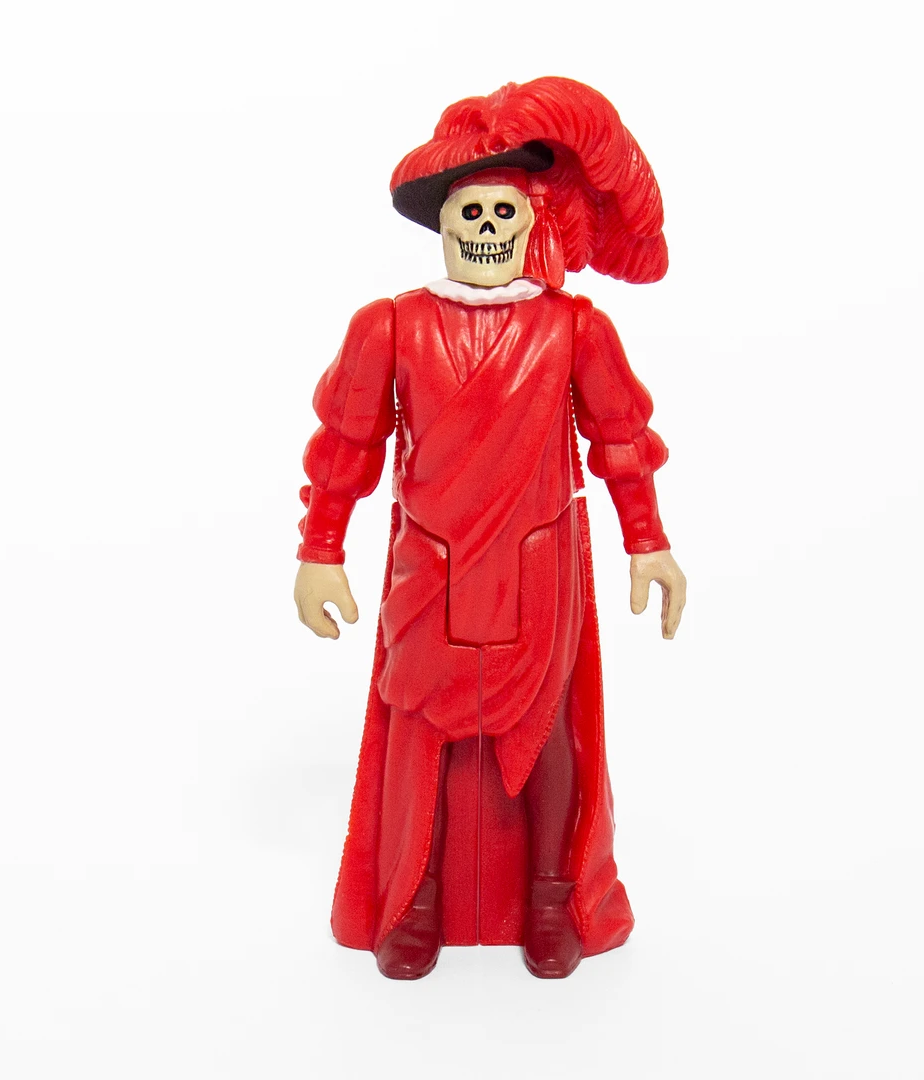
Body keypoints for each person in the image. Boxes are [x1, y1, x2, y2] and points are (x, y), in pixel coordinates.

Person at [294, 77, 686, 979]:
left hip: (534, 567)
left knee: (543, 732)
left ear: (529, 220)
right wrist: (320, 549)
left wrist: (649, 542)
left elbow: (621, 441)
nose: (485, 227)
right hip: (427, 572)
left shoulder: (574, 329)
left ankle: (550, 894)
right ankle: (416, 894)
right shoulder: (389, 326)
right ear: (443, 223)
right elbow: (347, 442)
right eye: (469, 210)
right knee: (424, 734)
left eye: (502, 210)